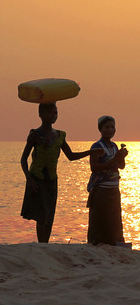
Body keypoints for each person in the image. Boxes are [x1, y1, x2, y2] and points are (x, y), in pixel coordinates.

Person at [20, 103, 104, 243]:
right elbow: (23, 159)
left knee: (49, 215)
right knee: (41, 215)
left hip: (52, 180)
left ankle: (45, 244)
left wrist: (91, 152)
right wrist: (30, 179)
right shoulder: (35, 135)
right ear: (40, 114)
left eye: (55, 113)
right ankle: (42, 245)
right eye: (50, 113)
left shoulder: (59, 135)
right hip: (37, 178)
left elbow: (70, 156)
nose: (54, 116)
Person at [87, 115, 129, 246]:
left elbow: (120, 166)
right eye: (107, 127)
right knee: (100, 221)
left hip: (114, 190)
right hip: (101, 190)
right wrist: (116, 158)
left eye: (112, 127)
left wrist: (122, 157)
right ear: (101, 129)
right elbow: (94, 168)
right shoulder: (97, 147)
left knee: (114, 220)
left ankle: (114, 243)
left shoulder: (114, 146)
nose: (110, 130)